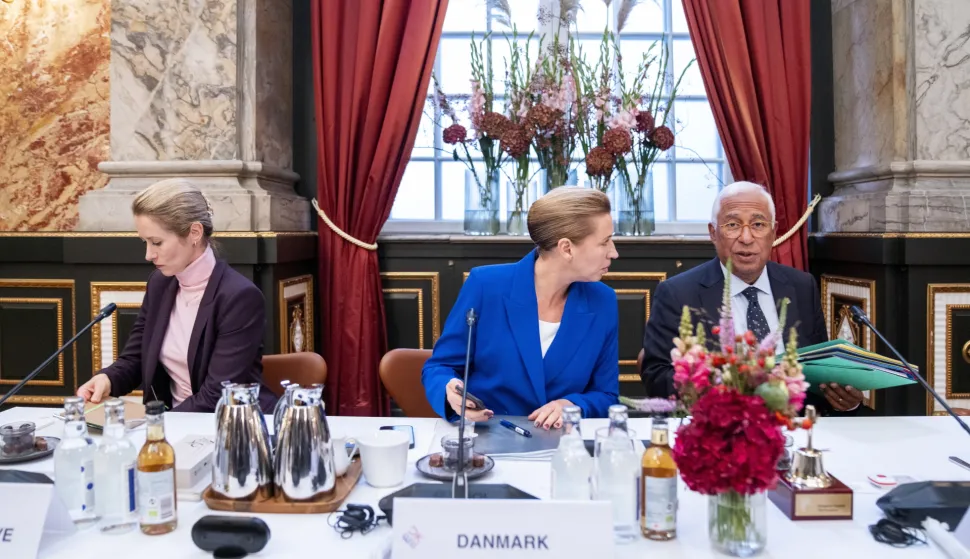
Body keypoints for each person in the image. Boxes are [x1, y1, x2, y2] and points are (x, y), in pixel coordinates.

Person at [640, 181, 865, 414]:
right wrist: (717, 387)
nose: (746, 237)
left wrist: (844, 399)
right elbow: (656, 376)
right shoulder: (678, 293)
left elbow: (818, 372)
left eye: (758, 224)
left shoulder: (801, 286)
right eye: (732, 225)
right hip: (720, 428)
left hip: (793, 428)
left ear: (773, 232)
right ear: (713, 233)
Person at [422, 187, 620, 429]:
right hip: (488, 444)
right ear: (566, 248)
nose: (614, 253)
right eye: (605, 242)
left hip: (564, 447)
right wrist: (449, 390)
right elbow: (439, 367)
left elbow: (607, 395)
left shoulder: (603, 301)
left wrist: (571, 405)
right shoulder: (486, 286)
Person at [76, 178, 278, 414]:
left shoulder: (239, 297)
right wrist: (107, 379)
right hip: (176, 425)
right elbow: (136, 358)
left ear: (194, 232)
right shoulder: (160, 284)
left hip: (233, 428)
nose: (148, 255)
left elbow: (217, 395)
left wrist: (157, 427)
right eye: (145, 242)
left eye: (156, 242)